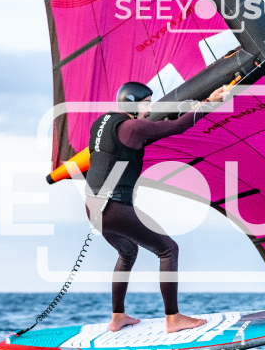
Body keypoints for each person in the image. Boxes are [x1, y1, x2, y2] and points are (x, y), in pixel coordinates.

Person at [85, 82, 227, 333]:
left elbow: (123, 149)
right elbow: (177, 127)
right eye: (147, 103)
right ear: (132, 103)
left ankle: (118, 317)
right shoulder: (132, 127)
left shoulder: (101, 125)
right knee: (168, 249)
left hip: (92, 207)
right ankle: (173, 318)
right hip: (114, 206)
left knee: (127, 252)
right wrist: (210, 102)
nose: (149, 110)